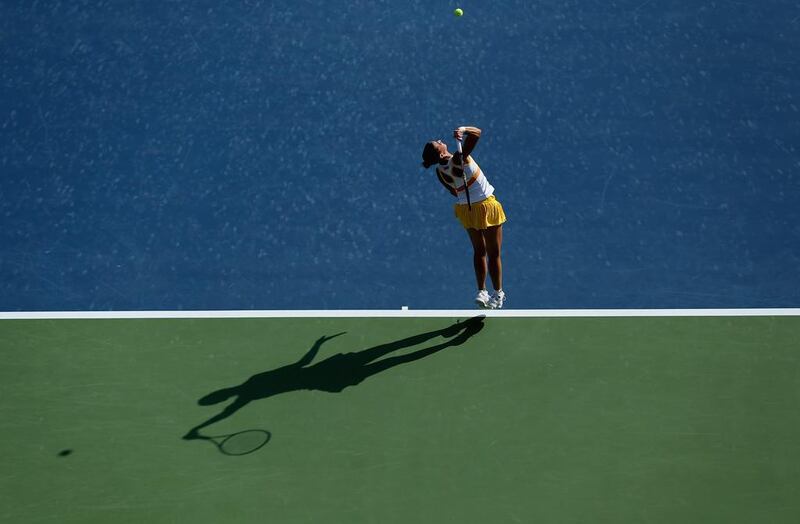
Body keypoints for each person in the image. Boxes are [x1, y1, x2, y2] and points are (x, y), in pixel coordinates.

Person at [421, 126, 507, 309]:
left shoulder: (440, 171)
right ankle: (498, 294)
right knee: (494, 253)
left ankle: (482, 291)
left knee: (479, 252)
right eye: (438, 142)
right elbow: (477, 133)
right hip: (486, 205)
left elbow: (454, 191)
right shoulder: (460, 157)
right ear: (440, 150)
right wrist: (463, 129)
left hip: (467, 209)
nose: (441, 140)